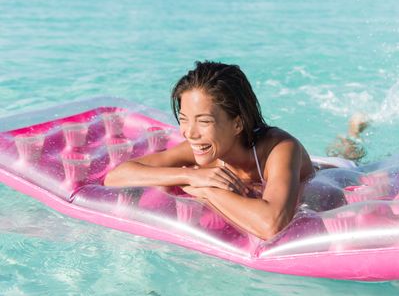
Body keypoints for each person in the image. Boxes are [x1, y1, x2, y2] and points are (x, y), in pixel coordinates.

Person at [104, 61, 315, 240]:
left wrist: (207, 191)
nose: (189, 133)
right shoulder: (204, 148)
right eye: (184, 119)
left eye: (204, 121)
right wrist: (192, 175)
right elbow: (116, 177)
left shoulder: (279, 149)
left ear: (237, 124)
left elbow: (271, 225)